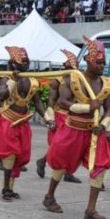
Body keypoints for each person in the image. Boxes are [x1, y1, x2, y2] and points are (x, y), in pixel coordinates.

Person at [43, 36, 110, 219]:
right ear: (88, 61)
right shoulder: (74, 78)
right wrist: (87, 108)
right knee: (61, 164)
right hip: (73, 128)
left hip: (94, 133)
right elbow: (64, 102)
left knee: (100, 166)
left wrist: (104, 125)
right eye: (98, 63)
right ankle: (49, 196)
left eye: (103, 63)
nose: (102, 66)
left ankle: (91, 209)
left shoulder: (106, 83)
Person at [0, 46, 55, 201]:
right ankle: (6, 189)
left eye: (27, 61)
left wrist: (47, 118)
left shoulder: (32, 81)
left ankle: (11, 188)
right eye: (21, 61)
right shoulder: (6, 78)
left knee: (19, 157)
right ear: (13, 63)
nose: (25, 63)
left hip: (23, 123)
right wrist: (13, 81)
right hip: (7, 121)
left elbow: (37, 102)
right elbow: (0, 96)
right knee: (10, 156)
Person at [35, 49, 82, 184]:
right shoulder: (58, 81)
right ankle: (42, 161)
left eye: (75, 64)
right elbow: (51, 100)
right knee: (59, 145)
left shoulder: (79, 80)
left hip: (73, 115)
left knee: (72, 146)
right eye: (70, 64)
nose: (73, 66)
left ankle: (68, 173)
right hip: (60, 115)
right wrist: (50, 118)